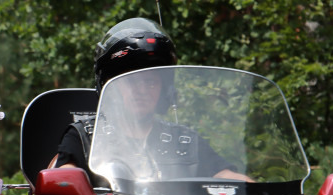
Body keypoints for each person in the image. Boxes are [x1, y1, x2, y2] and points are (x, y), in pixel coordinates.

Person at [50, 18, 249, 182]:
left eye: (151, 83)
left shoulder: (183, 140)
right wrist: (64, 184)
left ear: (164, 90)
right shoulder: (84, 137)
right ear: (113, 87)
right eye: (132, 82)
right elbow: (62, 180)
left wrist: (261, 193)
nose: (142, 90)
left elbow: (225, 175)